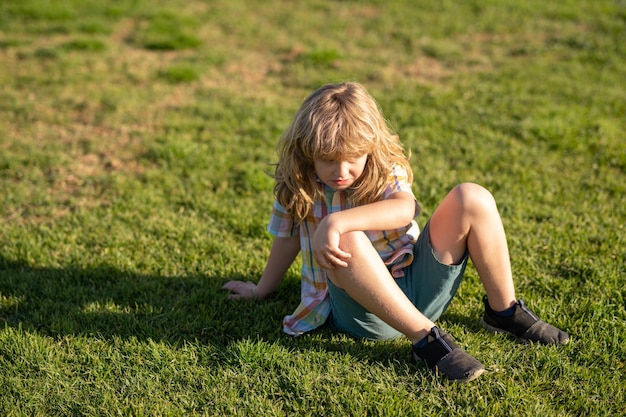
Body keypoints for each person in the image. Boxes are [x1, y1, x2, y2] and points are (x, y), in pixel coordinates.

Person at [222, 82, 569, 383]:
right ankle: (426, 341)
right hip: (366, 310)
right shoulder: (297, 185)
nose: (341, 171)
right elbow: (285, 241)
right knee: (346, 239)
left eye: (352, 157)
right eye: (327, 159)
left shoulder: (384, 167)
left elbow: (405, 208)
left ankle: (503, 311)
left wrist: (336, 220)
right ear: (307, 151)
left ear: (369, 147)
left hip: (418, 287)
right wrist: (261, 289)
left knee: (470, 196)